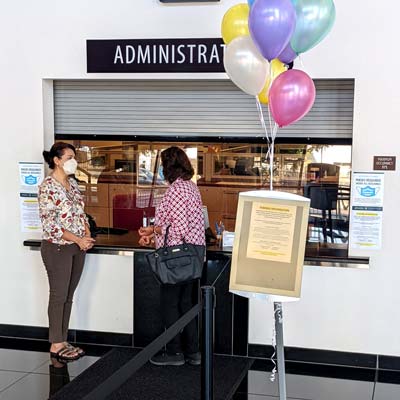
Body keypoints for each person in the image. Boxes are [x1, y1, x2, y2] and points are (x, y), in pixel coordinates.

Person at [138, 146, 205, 367]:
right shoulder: (191, 187)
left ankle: (175, 353)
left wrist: (155, 230)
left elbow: (178, 228)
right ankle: (193, 352)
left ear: (168, 167)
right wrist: (154, 230)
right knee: (186, 303)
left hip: (177, 256)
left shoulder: (176, 190)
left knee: (169, 304)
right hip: (193, 253)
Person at [39, 142, 95, 362]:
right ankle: (56, 343)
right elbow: (50, 225)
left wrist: (86, 235)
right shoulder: (47, 187)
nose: (74, 161)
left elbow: (81, 214)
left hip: (77, 246)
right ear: (57, 160)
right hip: (58, 247)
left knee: (68, 297)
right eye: (70, 157)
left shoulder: (73, 184)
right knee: (58, 295)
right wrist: (78, 239)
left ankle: (63, 338)